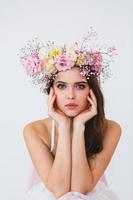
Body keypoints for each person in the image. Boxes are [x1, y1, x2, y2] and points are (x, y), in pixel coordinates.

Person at [20, 28, 122, 200]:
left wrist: (80, 126)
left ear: (91, 91)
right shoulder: (34, 130)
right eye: (62, 86)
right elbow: (59, 190)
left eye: (80, 86)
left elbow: (80, 190)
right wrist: (64, 125)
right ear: (52, 91)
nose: (70, 95)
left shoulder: (111, 128)